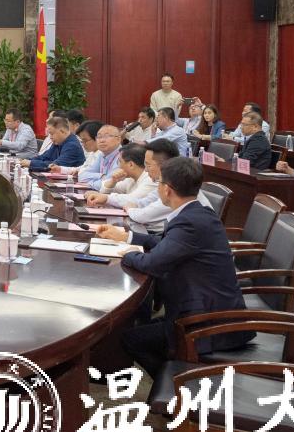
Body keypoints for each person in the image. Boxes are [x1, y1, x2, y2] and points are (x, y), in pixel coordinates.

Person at [95, 157, 254, 379]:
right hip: (203, 308)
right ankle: (176, 377)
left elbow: (153, 263)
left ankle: (175, 386)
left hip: (207, 323)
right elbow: (166, 244)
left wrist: (128, 253)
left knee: (131, 339)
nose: (157, 187)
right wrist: (127, 237)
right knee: (139, 329)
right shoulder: (196, 212)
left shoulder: (189, 222)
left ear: (167, 189)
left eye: (159, 182)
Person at [85, 143, 157, 209]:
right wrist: (113, 181)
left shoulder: (150, 179)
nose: (118, 166)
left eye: (119, 162)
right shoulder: (131, 178)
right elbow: (104, 191)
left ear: (131, 165)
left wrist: (106, 197)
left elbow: (133, 200)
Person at [76, 124, 122, 189]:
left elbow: (109, 184)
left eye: (107, 136)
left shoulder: (123, 156)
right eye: (99, 137)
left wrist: (90, 183)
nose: (102, 140)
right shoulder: (102, 155)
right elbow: (82, 176)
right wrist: (102, 176)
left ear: (118, 139)